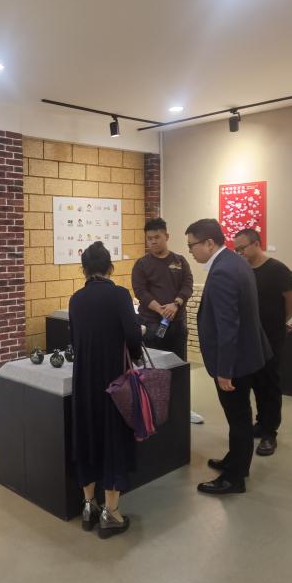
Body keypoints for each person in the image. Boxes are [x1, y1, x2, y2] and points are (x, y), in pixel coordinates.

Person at [186, 219, 270, 495]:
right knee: (240, 416)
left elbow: (227, 325)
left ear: (209, 243)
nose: (190, 251)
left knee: (238, 418)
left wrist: (224, 369)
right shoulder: (235, 261)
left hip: (235, 361)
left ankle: (235, 478)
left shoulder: (223, 270)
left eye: (192, 245)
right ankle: (235, 460)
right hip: (246, 354)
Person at [69, 241, 144, 538]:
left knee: (87, 435)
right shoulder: (120, 295)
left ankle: (89, 505)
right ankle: (111, 513)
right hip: (114, 378)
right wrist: (135, 355)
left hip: (84, 379)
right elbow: (133, 336)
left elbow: (75, 338)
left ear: (84, 269)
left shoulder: (76, 299)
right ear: (110, 267)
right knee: (113, 437)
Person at [233, 229, 292, 457]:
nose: (239, 253)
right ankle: (260, 423)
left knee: (269, 383)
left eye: (242, 248)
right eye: (236, 250)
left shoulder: (277, 269)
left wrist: (281, 322)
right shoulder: (241, 270)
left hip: (271, 337)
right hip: (247, 337)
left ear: (256, 244)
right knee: (253, 382)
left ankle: (270, 432)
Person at [131, 218, 202, 424]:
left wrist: (175, 304)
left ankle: (182, 408)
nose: (153, 242)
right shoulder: (142, 264)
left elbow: (187, 285)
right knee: (153, 370)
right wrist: (160, 309)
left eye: (157, 237)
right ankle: (154, 410)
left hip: (177, 324)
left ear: (166, 236)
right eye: (149, 238)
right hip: (151, 325)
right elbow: (140, 291)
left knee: (178, 367)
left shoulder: (180, 261)